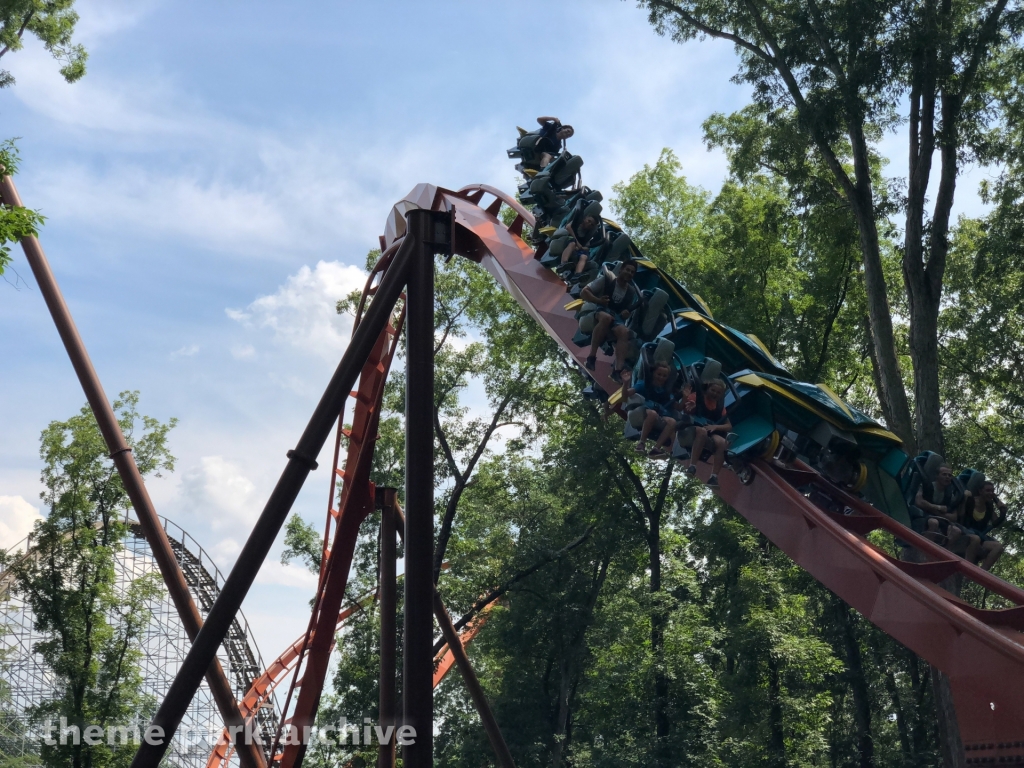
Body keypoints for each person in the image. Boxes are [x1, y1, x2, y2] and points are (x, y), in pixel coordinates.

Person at [579, 259, 640, 376]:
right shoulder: (607, 279)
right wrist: (598, 300)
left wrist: (625, 313)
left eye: (632, 272)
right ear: (621, 269)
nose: (629, 273)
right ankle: (591, 357)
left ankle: (617, 370)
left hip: (616, 317)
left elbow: (623, 311)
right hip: (599, 309)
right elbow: (584, 292)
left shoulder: (631, 292)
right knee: (606, 318)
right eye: (627, 270)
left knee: (624, 331)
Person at [627, 362, 689, 456]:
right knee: (653, 414)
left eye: (664, 376)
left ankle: (656, 449)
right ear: (653, 373)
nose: (661, 377)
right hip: (643, 411)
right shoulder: (644, 384)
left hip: (659, 414)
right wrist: (625, 383)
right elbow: (627, 394)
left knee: (672, 421)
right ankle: (641, 443)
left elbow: (678, 407)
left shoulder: (666, 391)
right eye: (659, 374)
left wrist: (684, 398)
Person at [913, 463, 973, 559]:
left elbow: (954, 516)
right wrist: (938, 508)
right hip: (922, 515)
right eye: (944, 474)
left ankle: (941, 555)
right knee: (934, 522)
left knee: (956, 531)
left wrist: (936, 512)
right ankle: (923, 552)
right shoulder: (927, 486)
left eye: (949, 475)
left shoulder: (950, 494)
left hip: (940, 518)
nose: (947, 477)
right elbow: (919, 502)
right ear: (937, 476)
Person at [683, 378, 732, 488]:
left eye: (718, 392)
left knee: (723, 442)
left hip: (709, 428)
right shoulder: (697, 397)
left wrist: (715, 426)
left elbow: (728, 426)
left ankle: (713, 477)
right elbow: (685, 410)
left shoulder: (720, 407)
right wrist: (692, 407)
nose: (715, 394)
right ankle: (692, 466)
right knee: (702, 432)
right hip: (693, 426)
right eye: (713, 390)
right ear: (708, 388)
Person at [962, 480, 1007, 571]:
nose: (990, 493)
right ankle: (967, 568)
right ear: (980, 491)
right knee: (976, 539)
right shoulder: (971, 501)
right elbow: (960, 514)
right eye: (988, 490)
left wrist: (1002, 509)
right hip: (966, 532)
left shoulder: (989, 506)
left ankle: (981, 572)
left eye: (992, 491)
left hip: (980, 535)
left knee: (998, 547)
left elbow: (997, 522)